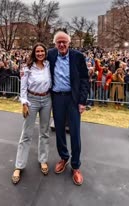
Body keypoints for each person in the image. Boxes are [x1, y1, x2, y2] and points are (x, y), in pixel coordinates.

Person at [47, 31, 89, 186]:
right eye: (59, 42)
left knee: (75, 132)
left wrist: (82, 101)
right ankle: (64, 157)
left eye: (64, 42)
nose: (62, 45)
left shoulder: (77, 56)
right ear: (55, 44)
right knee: (59, 130)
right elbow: (35, 61)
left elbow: (85, 79)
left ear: (69, 43)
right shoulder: (50, 55)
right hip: (57, 98)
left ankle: (76, 166)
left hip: (73, 99)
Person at [11, 43, 52, 185]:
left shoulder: (48, 65)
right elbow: (22, 87)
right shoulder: (27, 68)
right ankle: (19, 166)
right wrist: (24, 103)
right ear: (34, 53)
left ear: (45, 53)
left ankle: (43, 160)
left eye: (42, 51)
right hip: (32, 100)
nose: (40, 53)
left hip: (47, 99)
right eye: (38, 51)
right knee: (26, 134)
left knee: (44, 132)